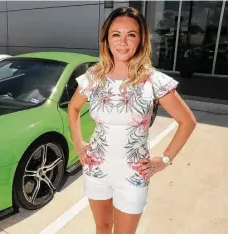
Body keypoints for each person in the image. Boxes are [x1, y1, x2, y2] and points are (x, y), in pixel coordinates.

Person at [68, 7, 196, 234]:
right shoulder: (93, 77)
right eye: (116, 34)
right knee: (103, 228)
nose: (123, 42)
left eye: (131, 35)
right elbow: (74, 107)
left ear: (141, 39)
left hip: (134, 175)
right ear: (106, 39)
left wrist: (165, 160)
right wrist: (79, 143)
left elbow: (187, 122)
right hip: (96, 170)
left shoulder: (153, 80)